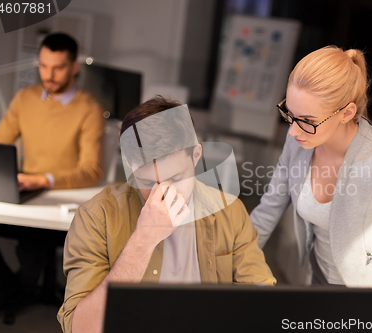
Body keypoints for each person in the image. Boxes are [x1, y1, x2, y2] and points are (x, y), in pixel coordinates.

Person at [57, 96, 276, 333]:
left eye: (175, 178)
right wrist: (143, 240)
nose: (162, 194)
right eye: (148, 182)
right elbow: (81, 329)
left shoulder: (229, 211)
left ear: (196, 155)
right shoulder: (96, 217)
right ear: (130, 165)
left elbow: (263, 304)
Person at [250, 46, 372, 289]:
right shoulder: (297, 143)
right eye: (289, 115)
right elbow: (266, 213)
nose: (292, 131)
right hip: (319, 281)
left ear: (346, 113)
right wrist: (226, 265)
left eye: (307, 121)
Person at [0, 32, 104, 322]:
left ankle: (22, 288)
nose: (49, 75)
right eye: (43, 66)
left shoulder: (88, 108)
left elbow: (92, 170)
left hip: (54, 203)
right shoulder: (26, 98)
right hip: (25, 192)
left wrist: (44, 180)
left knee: (33, 242)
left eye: (58, 67)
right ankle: (10, 287)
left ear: (74, 66)